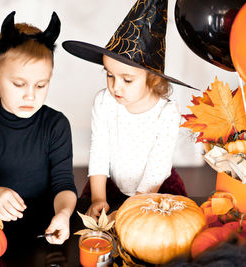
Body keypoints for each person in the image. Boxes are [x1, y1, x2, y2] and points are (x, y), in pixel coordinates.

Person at [62, 0, 198, 220]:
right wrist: (98, 197)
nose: (116, 86)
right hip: (111, 182)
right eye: (109, 75)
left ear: (152, 79)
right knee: (92, 222)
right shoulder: (105, 102)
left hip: (155, 186)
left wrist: (131, 210)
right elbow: (99, 150)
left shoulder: (167, 113)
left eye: (127, 79)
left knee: (162, 227)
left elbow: (157, 167)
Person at [0, 11, 77, 245]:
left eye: (41, 85)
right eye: (18, 84)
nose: (30, 95)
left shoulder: (56, 125)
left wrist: (63, 214)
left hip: (48, 226)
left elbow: (64, 185)